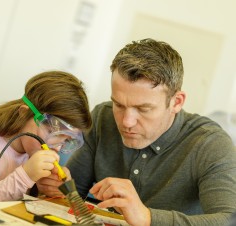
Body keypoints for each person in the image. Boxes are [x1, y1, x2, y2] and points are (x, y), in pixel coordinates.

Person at [36, 39, 236, 225]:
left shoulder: (210, 144)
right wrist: (54, 189)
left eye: (143, 109)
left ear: (176, 102)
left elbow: (229, 220)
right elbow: (72, 196)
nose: (127, 122)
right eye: (119, 105)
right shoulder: (102, 117)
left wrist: (148, 218)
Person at [0, 70, 92, 202]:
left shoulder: (31, 152)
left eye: (66, 140)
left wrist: (48, 190)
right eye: (51, 133)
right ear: (24, 113)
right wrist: (26, 176)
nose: (57, 147)